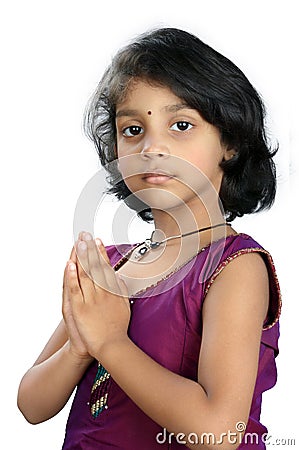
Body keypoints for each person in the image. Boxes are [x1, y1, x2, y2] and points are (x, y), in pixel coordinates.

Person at [17, 28, 281, 449]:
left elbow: (218, 434)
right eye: (133, 129)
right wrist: (81, 347)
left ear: (229, 142)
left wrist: (110, 342)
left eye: (181, 125)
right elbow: (31, 405)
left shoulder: (235, 266)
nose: (153, 146)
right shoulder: (111, 263)